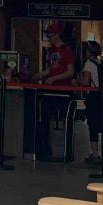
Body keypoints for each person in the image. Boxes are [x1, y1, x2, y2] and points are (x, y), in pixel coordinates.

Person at [32, 23, 75, 162]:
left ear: (56, 35)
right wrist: (40, 74)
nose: (48, 38)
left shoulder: (66, 51)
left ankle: (67, 152)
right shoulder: (52, 50)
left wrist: (54, 78)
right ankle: (46, 148)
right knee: (46, 119)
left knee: (65, 120)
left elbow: (70, 71)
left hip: (63, 90)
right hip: (51, 90)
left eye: (50, 35)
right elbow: (51, 69)